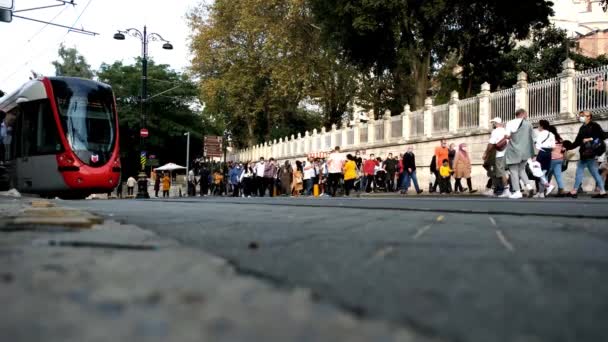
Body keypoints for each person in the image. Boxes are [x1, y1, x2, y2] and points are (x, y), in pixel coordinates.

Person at [565, 110, 607, 198]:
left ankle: (574, 190)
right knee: (594, 172)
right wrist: (567, 146)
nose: (581, 117)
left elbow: (602, 136)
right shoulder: (582, 127)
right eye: (580, 115)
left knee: (580, 171)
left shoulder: (594, 125)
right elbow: (577, 142)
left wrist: (590, 139)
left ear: (589, 117)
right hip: (585, 153)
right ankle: (602, 191)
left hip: (590, 152)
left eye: (583, 115)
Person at [505, 109, 535, 199]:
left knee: (513, 171)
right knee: (522, 170)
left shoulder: (510, 123)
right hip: (525, 151)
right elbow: (533, 137)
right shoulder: (529, 124)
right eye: (526, 114)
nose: (527, 115)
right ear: (523, 114)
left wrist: (512, 136)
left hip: (513, 150)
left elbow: (507, 135)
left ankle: (517, 192)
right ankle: (529, 187)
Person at [483, 117, 509, 197]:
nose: (493, 124)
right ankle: (494, 189)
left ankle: (506, 189)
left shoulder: (495, 131)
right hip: (506, 154)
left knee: (500, 172)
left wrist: (486, 153)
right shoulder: (505, 130)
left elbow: (491, 144)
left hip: (499, 155)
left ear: (496, 123)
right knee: (498, 172)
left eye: (493, 123)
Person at [533, 120, 556, 198]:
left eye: (539, 125)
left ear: (542, 126)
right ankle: (541, 192)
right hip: (548, 154)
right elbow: (553, 147)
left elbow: (537, 145)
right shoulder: (551, 134)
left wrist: (535, 156)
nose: (538, 127)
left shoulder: (540, 134)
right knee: (543, 173)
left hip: (541, 153)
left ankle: (548, 186)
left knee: (538, 171)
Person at [546, 125, 566, 197]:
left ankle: (545, 189)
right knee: (558, 176)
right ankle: (561, 190)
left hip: (552, 159)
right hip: (560, 159)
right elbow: (563, 149)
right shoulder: (560, 139)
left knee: (545, 175)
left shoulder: (549, 139)